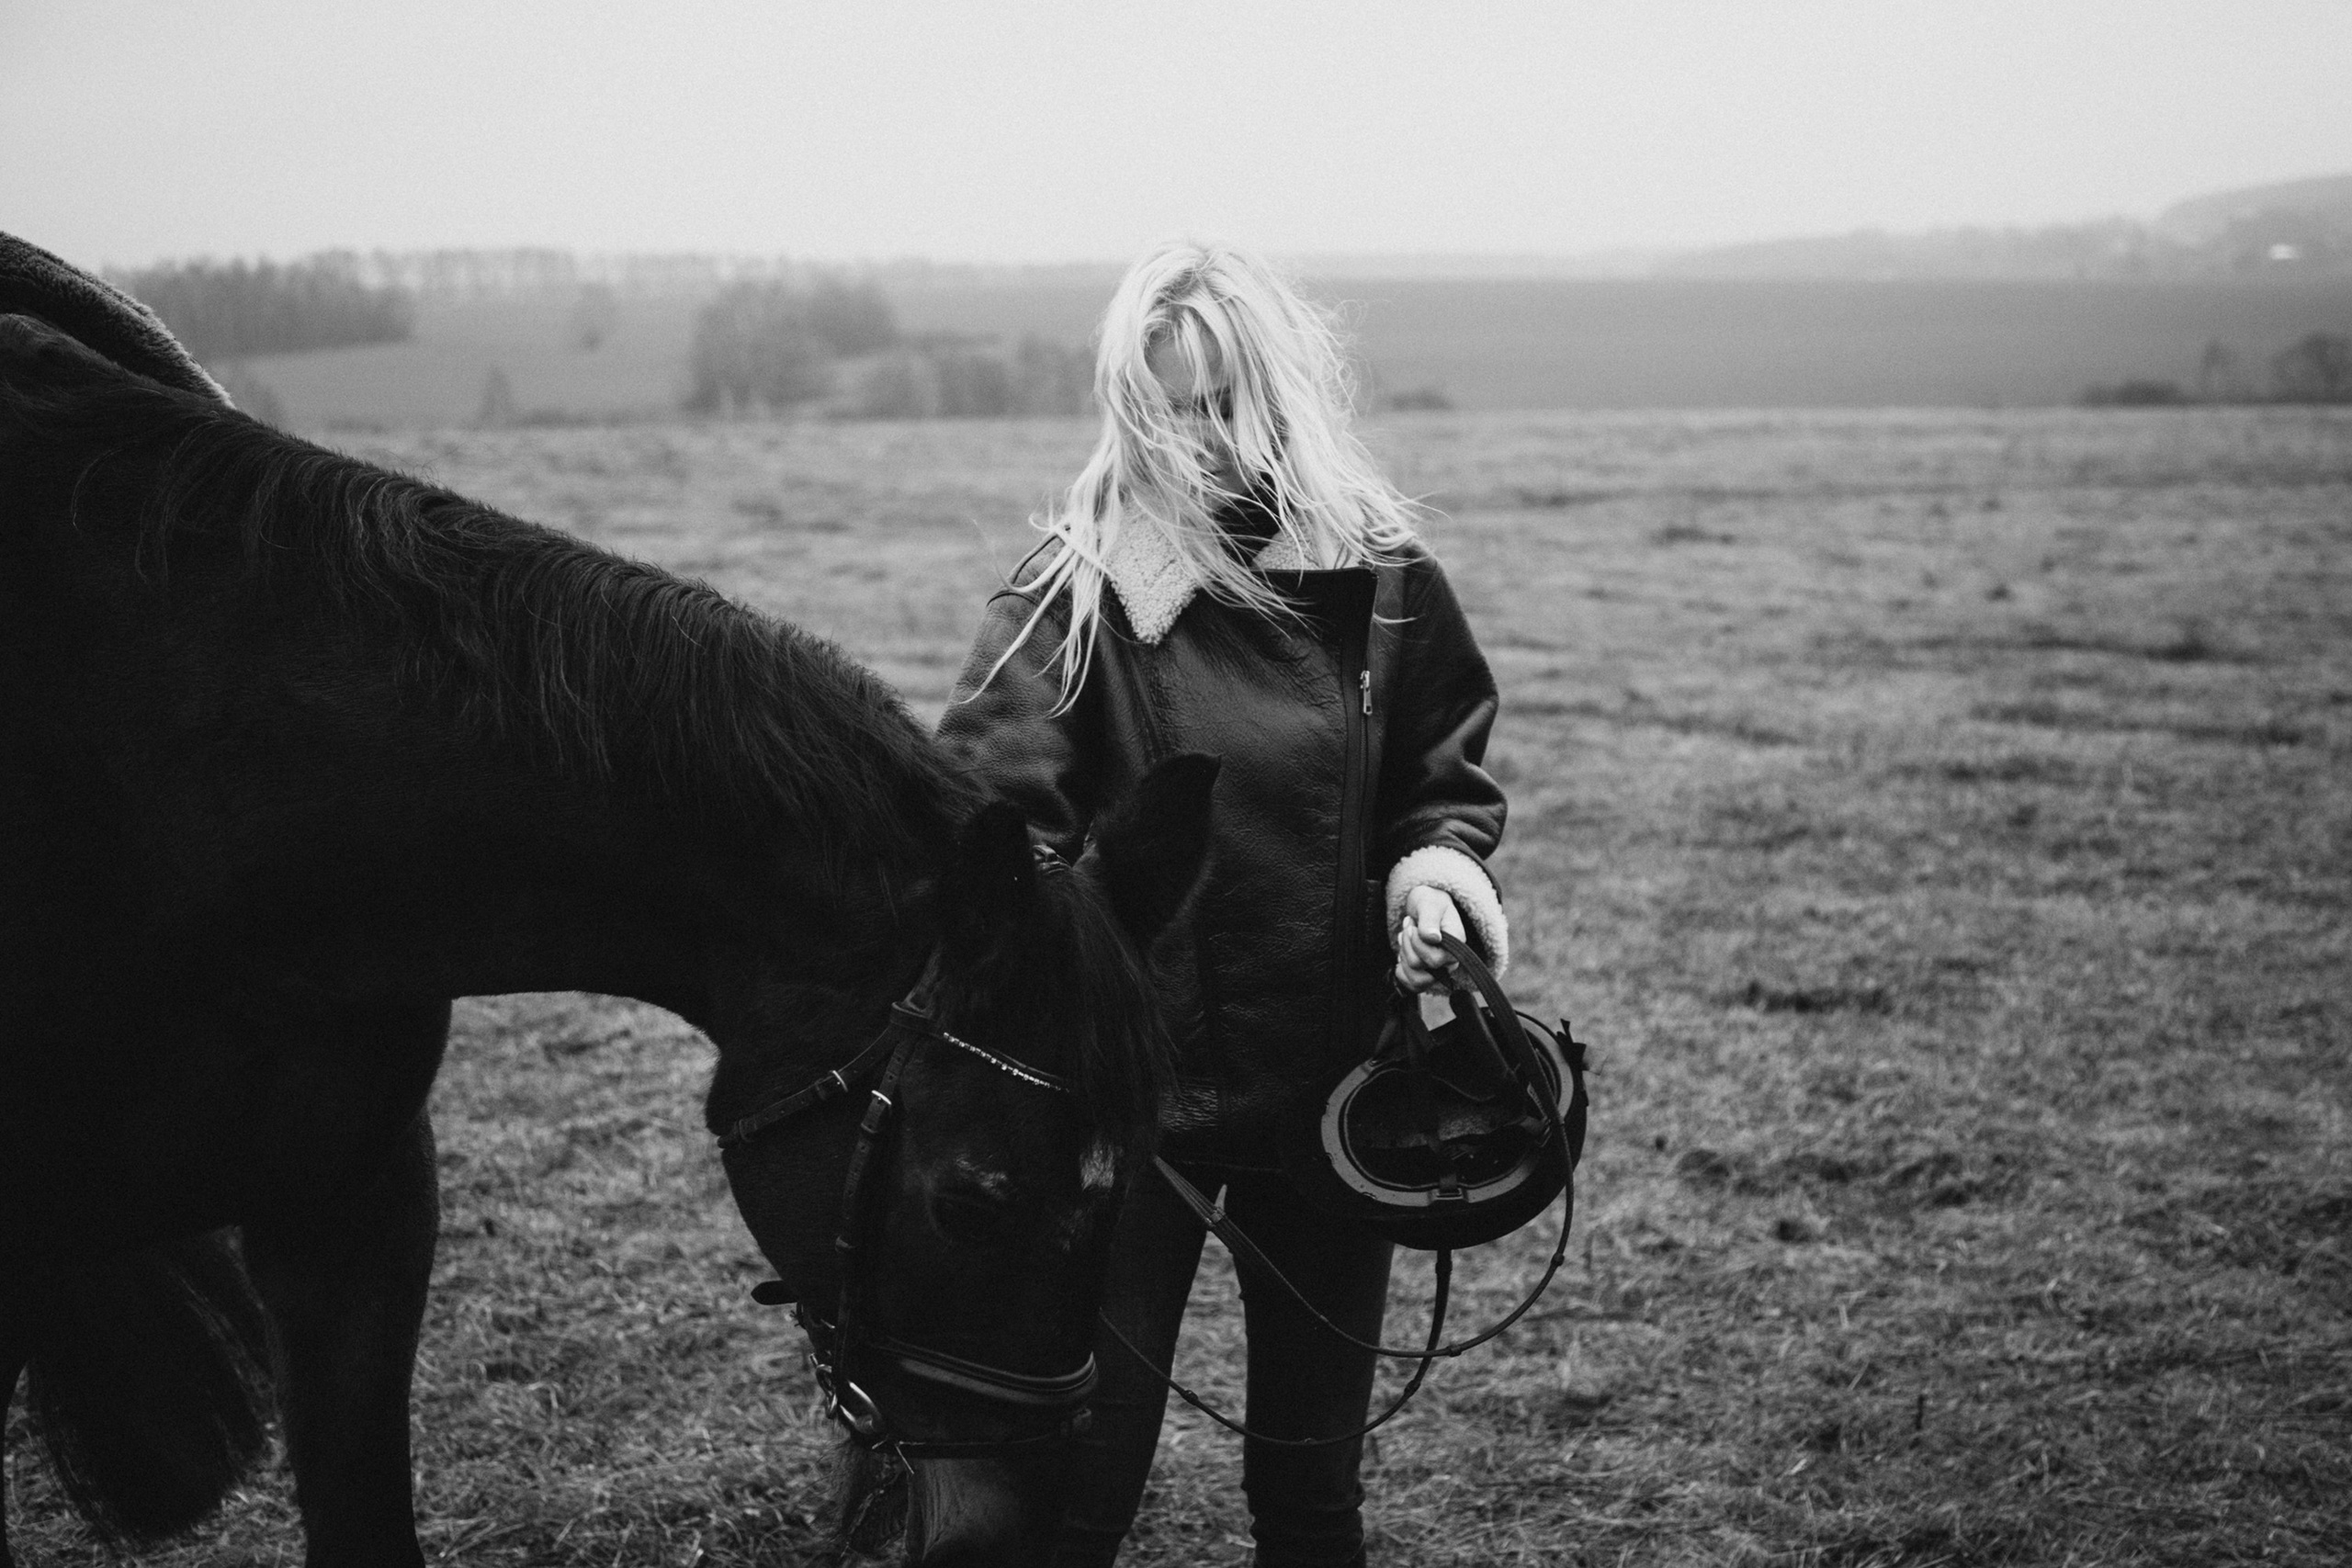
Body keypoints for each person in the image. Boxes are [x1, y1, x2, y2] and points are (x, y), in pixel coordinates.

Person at [935, 240, 1509, 1568]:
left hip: (1336, 1100)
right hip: (1123, 1117)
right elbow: (986, 830)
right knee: (1080, 1496)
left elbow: (1441, 780)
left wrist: (1434, 882)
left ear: (1276, 395)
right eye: (1162, 409)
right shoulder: (1070, 591)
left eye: (1215, 403)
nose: (1191, 441)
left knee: (1312, 1500)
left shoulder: (1381, 579)